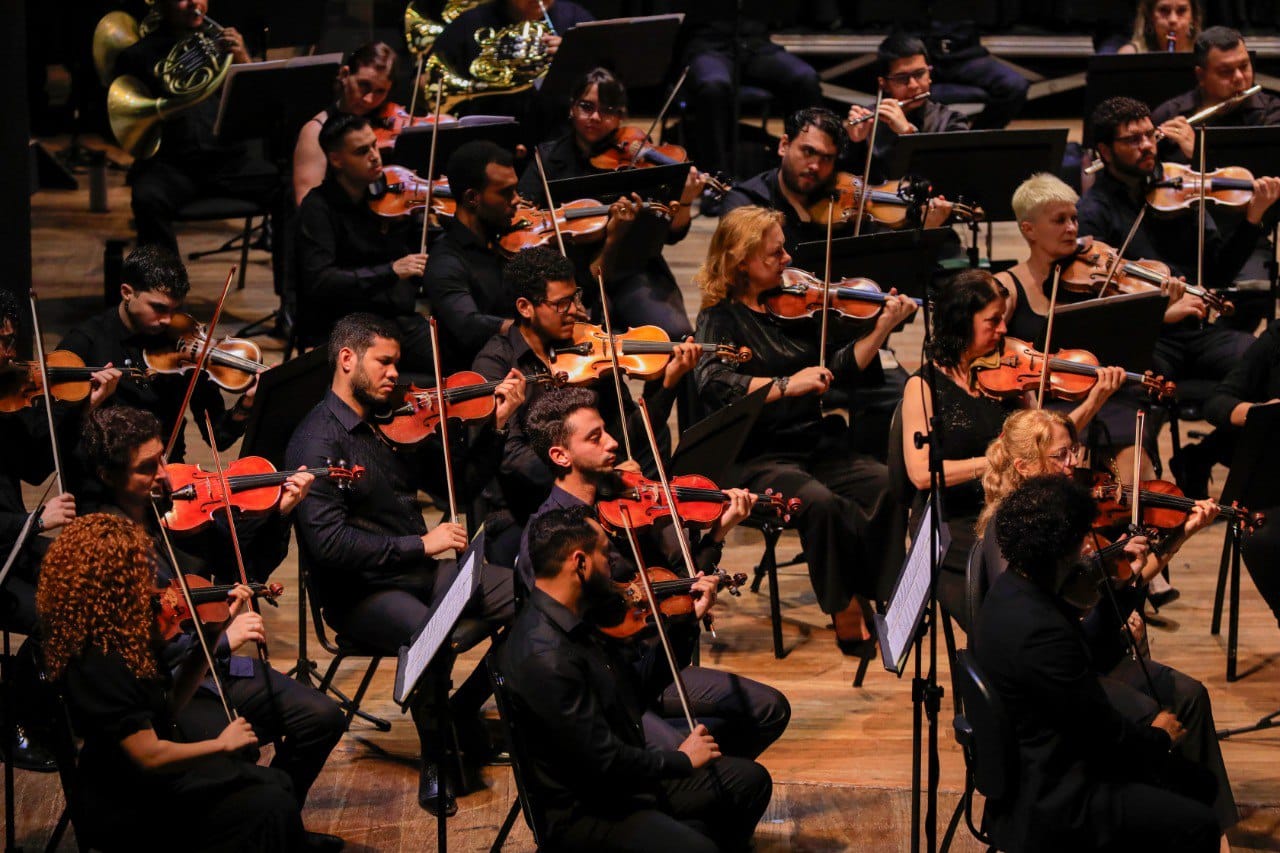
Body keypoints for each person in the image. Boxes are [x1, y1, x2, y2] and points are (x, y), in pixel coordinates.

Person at [78, 405, 347, 851]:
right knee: (244, 760)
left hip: (207, 665)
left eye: (162, 459)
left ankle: (280, 828)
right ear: (108, 476)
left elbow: (241, 568)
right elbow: (144, 662)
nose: (165, 476)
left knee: (322, 718)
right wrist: (222, 640)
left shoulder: (166, 518)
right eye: (147, 468)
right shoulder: (108, 550)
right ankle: (260, 825)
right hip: (172, 686)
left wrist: (279, 513)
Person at [286, 313, 522, 816]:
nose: (396, 374)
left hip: (419, 571)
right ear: (347, 359)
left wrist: (497, 426)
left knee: (530, 596)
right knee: (428, 634)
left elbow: (460, 484)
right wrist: (422, 544)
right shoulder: (317, 441)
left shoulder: (392, 422)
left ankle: (460, 711)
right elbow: (329, 545)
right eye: (384, 363)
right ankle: (436, 757)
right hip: (361, 592)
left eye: (397, 363)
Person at [974, 409, 1237, 837]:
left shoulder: (1036, 549)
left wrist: (1151, 555)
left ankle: (1204, 820)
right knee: (1165, 718)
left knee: (1188, 708)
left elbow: (1086, 611)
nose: (1073, 466)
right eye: (1060, 456)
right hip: (1058, 783)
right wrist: (1157, 737)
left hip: (1066, 682)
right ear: (1024, 466)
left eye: (1072, 453)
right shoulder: (1024, 556)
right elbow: (1092, 711)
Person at [516, 387, 792, 759]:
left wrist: (717, 534)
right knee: (695, 761)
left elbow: (678, 582)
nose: (613, 443)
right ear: (560, 455)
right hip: (608, 691)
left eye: (606, 430)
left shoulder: (625, 505)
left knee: (770, 709)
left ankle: (702, 786)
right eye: (595, 438)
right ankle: (679, 782)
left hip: (654, 663)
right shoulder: (552, 541)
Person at [693, 206, 916, 653]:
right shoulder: (720, 318)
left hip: (814, 443)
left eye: (784, 249)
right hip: (756, 456)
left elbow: (838, 368)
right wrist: (785, 385)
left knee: (886, 484)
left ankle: (884, 593)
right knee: (821, 504)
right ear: (741, 261)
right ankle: (843, 608)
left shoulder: (795, 307)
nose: (787, 259)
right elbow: (713, 381)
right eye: (774, 254)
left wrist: (883, 326)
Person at [498, 505, 774, 852]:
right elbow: (604, 761)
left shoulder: (579, 617)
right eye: (605, 554)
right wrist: (681, 760)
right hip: (590, 813)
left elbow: (636, 689)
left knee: (750, 782)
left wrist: (685, 623)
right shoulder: (546, 658)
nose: (613, 565)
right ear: (580, 563)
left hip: (621, 783)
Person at [37, 514, 306, 851]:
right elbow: (148, 755)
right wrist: (221, 745)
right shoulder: (99, 659)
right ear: (111, 583)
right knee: (270, 804)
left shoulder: (121, 636)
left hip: (148, 780)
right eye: (138, 572)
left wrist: (213, 635)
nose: (152, 585)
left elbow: (169, 707)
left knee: (278, 783)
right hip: (126, 801)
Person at [900, 269, 1122, 621]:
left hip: (1011, 507)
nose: (1004, 329)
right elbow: (921, 474)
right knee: (1008, 606)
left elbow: (1046, 441)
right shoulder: (923, 386)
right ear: (961, 322)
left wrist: (1094, 401)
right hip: (955, 521)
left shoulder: (1010, 375)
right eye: (993, 321)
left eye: (1003, 318)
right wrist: (999, 459)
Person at [472, 247, 700, 564]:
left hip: (598, 495)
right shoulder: (496, 364)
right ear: (525, 307)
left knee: (675, 544)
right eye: (561, 304)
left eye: (575, 298)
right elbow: (513, 459)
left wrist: (666, 385)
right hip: (525, 509)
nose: (575, 311)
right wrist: (596, 476)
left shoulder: (589, 351)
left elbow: (628, 435)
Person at [1076, 96, 1280, 386]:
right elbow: (1095, 304)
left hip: (1196, 332)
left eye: (1150, 135)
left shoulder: (1181, 189)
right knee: (1140, 383)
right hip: (1146, 338)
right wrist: (1161, 314)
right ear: (1106, 151)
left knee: (1265, 360)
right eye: (1133, 140)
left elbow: (1218, 273)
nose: (1147, 145)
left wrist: (1252, 218)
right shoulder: (1093, 213)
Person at [0, 289, 119, 772]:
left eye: (11, 341)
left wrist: (81, 408)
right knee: (55, 613)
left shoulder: (3, 399)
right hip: (7, 544)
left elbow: (32, 465)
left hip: (11, 543)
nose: (10, 355)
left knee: (95, 576)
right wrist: (34, 521)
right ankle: (13, 718)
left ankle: (65, 701)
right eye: (1, 343)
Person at [515, 67, 703, 342]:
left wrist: (684, 201)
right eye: (586, 107)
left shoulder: (640, 160)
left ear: (621, 115)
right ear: (572, 108)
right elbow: (523, 211)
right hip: (572, 276)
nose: (595, 117)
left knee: (674, 337)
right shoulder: (547, 158)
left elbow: (672, 233)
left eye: (607, 110)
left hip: (633, 269)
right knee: (580, 341)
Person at [59, 244, 255, 479]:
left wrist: (245, 405)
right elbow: (55, 438)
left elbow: (219, 437)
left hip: (169, 474)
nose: (167, 320)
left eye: (175, 310)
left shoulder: (185, 345)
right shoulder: (85, 343)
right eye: (158, 308)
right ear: (127, 292)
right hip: (106, 477)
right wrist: (87, 408)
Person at [116, 0, 277, 254]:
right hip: (172, 165)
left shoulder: (225, 45)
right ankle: (166, 279)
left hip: (228, 162)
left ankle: (296, 281)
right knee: (147, 198)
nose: (194, 2)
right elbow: (126, 124)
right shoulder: (138, 56)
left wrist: (243, 60)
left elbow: (257, 107)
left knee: (290, 188)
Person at [294, 113, 433, 370]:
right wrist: (390, 271)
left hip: (395, 318)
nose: (375, 156)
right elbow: (321, 280)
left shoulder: (386, 197)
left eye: (374, 145)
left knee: (454, 347)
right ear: (336, 160)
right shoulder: (318, 208)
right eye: (361, 151)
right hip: (346, 324)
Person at [722, 107, 956, 255]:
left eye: (826, 158)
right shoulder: (746, 201)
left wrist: (927, 229)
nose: (815, 166)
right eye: (808, 152)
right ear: (784, 146)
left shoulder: (846, 206)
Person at [672, 0, 822, 204]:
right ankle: (716, 182)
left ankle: (797, 175)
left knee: (805, 78)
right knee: (713, 86)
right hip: (708, 44)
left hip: (755, 44)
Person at [1205, 319, 1280, 630]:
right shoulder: (1276, 338)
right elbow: (1217, 403)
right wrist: (1262, 413)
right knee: (1262, 540)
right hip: (1274, 488)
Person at [422, 140, 522, 371]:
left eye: (516, 189)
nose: (516, 200)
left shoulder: (506, 243)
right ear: (472, 198)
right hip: (482, 375)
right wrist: (531, 327)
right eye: (506, 192)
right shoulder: (445, 261)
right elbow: (468, 326)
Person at [843, 35, 972, 185]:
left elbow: (955, 175)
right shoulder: (867, 121)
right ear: (884, 84)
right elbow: (845, 182)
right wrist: (854, 143)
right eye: (901, 78)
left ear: (929, 74)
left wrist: (909, 135)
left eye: (919, 74)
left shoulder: (951, 121)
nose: (913, 85)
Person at [293, 42, 398, 207]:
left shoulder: (391, 120)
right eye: (363, 85)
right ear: (344, 75)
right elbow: (308, 206)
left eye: (380, 91)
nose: (369, 100)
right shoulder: (315, 132)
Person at [1118, 0, 1202, 54]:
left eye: (1181, 10)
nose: (1173, 20)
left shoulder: (1205, 55)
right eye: (1164, 10)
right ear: (1150, 16)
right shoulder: (1131, 54)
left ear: (1193, 17)